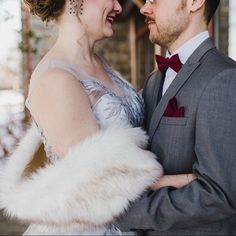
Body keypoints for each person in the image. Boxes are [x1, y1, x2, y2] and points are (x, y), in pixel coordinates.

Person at [0, 0, 164, 235]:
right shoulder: (54, 79)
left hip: (134, 218)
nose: (118, 7)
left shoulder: (101, 65)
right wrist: (174, 181)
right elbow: (98, 176)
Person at [118, 0, 236, 235]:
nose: (145, 9)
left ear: (194, 2)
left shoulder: (224, 79)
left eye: (155, 1)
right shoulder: (154, 81)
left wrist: (126, 211)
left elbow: (218, 195)